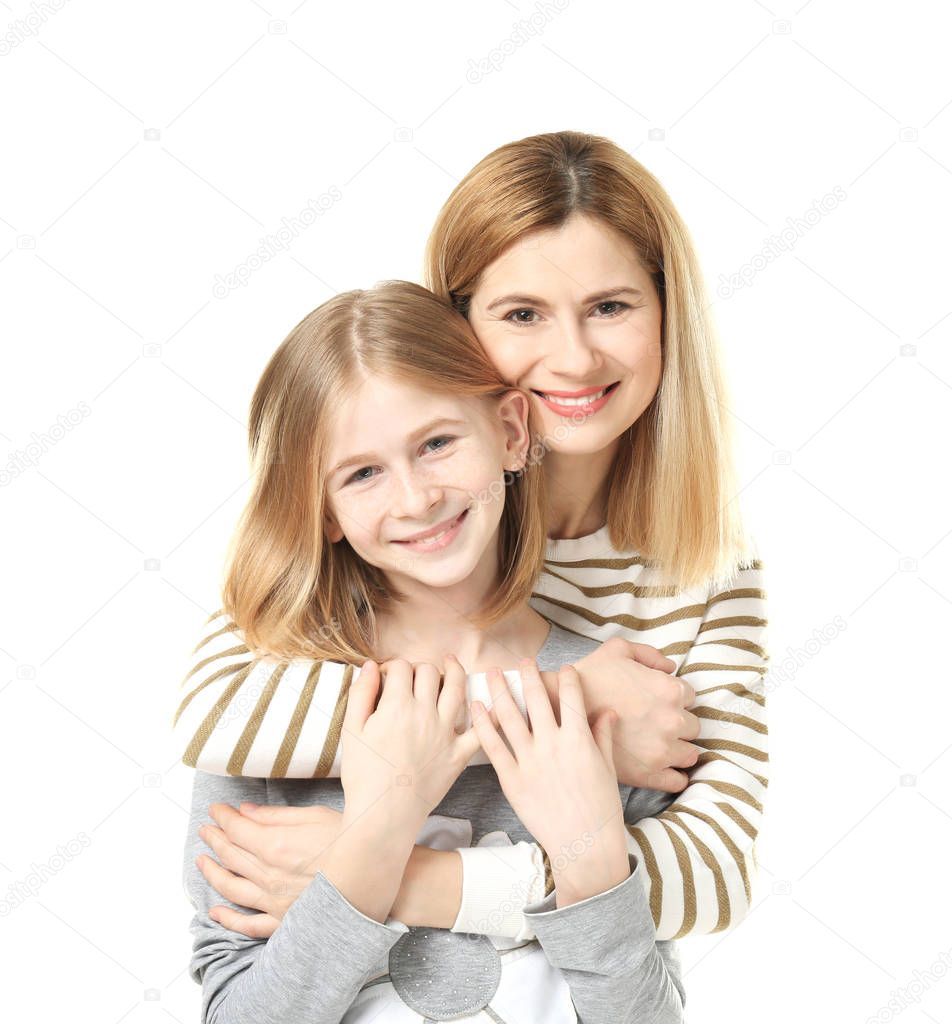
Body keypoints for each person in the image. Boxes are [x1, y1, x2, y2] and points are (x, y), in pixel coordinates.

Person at [176, 129, 768, 943]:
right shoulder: (410, 521)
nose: (573, 357)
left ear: (668, 317)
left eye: (611, 307)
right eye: (522, 314)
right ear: (455, 327)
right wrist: (574, 705)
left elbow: (714, 875)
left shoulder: (712, 574)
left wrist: (395, 878)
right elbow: (218, 712)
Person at [184, 280, 686, 1022]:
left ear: (513, 432)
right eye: (362, 474)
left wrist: (593, 860)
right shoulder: (269, 718)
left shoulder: (616, 700)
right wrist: (379, 829)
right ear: (323, 511)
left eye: (437, 444)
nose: (416, 498)